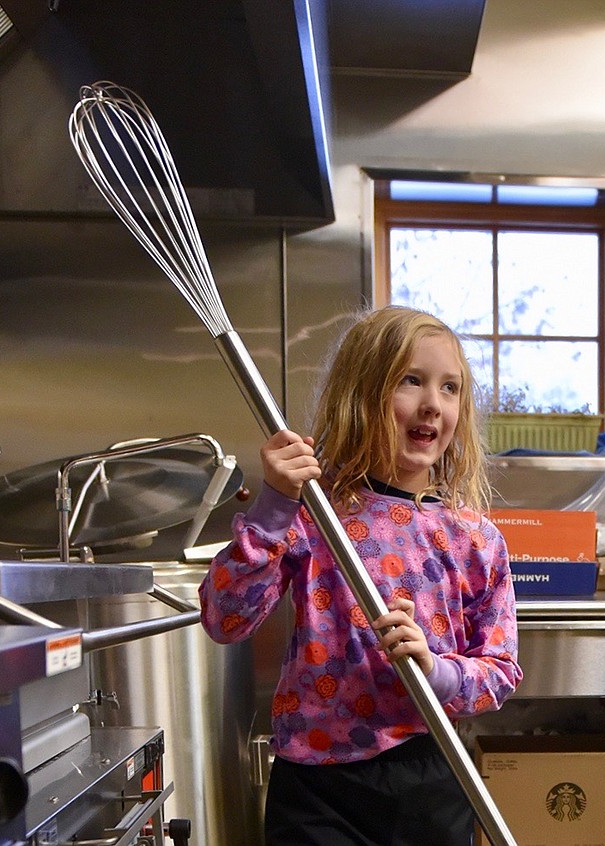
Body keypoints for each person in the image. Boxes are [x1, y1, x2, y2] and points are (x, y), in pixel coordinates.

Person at [199, 305, 522, 846]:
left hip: (429, 771)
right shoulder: (312, 515)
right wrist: (276, 505)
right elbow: (223, 619)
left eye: (450, 388)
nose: (431, 405)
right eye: (410, 381)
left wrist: (436, 670)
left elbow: (500, 670)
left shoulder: (475, 538)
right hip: (317, 788)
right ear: (361, 393)